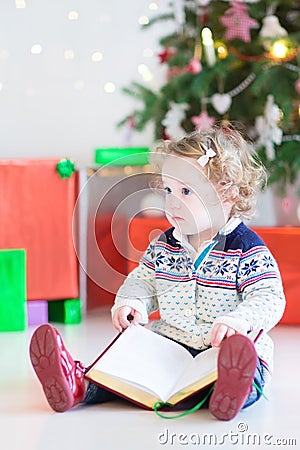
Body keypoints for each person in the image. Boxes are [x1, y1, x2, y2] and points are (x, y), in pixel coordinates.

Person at [30, 122, 285, 420]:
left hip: (224, 347)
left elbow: (269, 296)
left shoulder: (246, 249)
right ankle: (80, 385)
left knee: (246, 367)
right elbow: (143, 280)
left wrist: (240, 320)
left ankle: (231, 391)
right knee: (127, 363)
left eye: (186, 191)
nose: (172, 202)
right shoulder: (165, 244)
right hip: (170, 347)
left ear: (226, 195)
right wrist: (133, 303)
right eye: (168, 190)